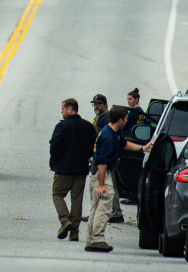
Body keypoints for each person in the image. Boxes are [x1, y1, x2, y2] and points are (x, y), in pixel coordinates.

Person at [85, 106, 153, 253]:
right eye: (126, 118)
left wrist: (142, 148)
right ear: (121, 120)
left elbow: (124, 144)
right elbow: (102, 163)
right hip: (102, 173)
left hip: (101, 172)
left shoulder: (114, 132)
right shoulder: (108, 137)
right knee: (104, 208)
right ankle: (97, 239)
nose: (127, 120)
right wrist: (101, 185)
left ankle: (90, 239)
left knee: (96, 208)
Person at [49, 98, 97, 242]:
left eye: (63, 109)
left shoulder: (62, 126)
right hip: (81, 170)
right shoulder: (88, 127)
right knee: (77, 201)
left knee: (57, 194)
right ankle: (74, 233)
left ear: (70, 110)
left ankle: (65, 220)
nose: (61, 111)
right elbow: (93, 146)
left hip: (63, 169)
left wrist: (54, 162)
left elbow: (54, 146)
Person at [89, 93, 123, 223]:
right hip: (101, 156)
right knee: (107, 186)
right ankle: (113, 212)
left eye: (99, 103)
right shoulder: (100, 117)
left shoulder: (106, 119)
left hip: (105, 158)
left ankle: (113, 213)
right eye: (95, 104)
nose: (96, 106)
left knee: (106, 186)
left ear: (105, 105)